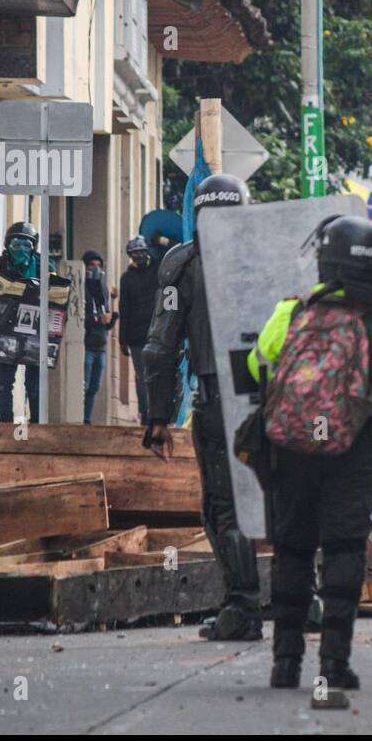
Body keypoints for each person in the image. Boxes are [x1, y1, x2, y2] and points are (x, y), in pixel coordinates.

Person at [253, 214, 372, 693]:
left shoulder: (292, 312)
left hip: (291, 448)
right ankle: (334, 663)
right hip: (354, 449)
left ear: (325, 262)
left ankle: (285, 663)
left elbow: (257, 360)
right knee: (345, 548)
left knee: (293, 548)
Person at [142, 174, 263, 642]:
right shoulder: (271, 257)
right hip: (275, 399)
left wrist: (158, 416)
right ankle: (305, 599)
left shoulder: (183, 262)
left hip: (217, 399)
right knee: (288, 498)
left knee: (224, 507)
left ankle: (244, 607)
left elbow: (158, 348)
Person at [0, 221, 45, 423]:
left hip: (34, 332)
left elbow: (57, 297)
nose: (20, 249)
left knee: (34, 383)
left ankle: (37, 423)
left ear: (34, 247)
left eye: (26, 245)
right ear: (7, 245)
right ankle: (4, 423)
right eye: (15, 244)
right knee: (3, 382)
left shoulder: (44, 265)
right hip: (5, 331)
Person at [118, 235, 158, 424]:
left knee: (157, 375)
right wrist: (122, 338)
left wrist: (160, 239)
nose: (139, 256)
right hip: (136, 337)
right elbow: (123, 308)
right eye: (135, 254)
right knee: (142, 377)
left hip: (158, 334)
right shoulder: (126, 279)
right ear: (130, 255)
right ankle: (146, 414)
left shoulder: (158, 272)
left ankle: (158, 412)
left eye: (142, 252)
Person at [81, 250, 117, 425]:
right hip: (86, 344)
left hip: (100, 345)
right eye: (91, 266)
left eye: (98, 266)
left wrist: (111, 317)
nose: (95, 269)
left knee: (94, 387)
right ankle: (81, 418)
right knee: (84, 385)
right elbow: (78, 317)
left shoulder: (102, 288)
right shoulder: (81, 287)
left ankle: (87, 418)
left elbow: (106, 315)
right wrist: (96, 319)